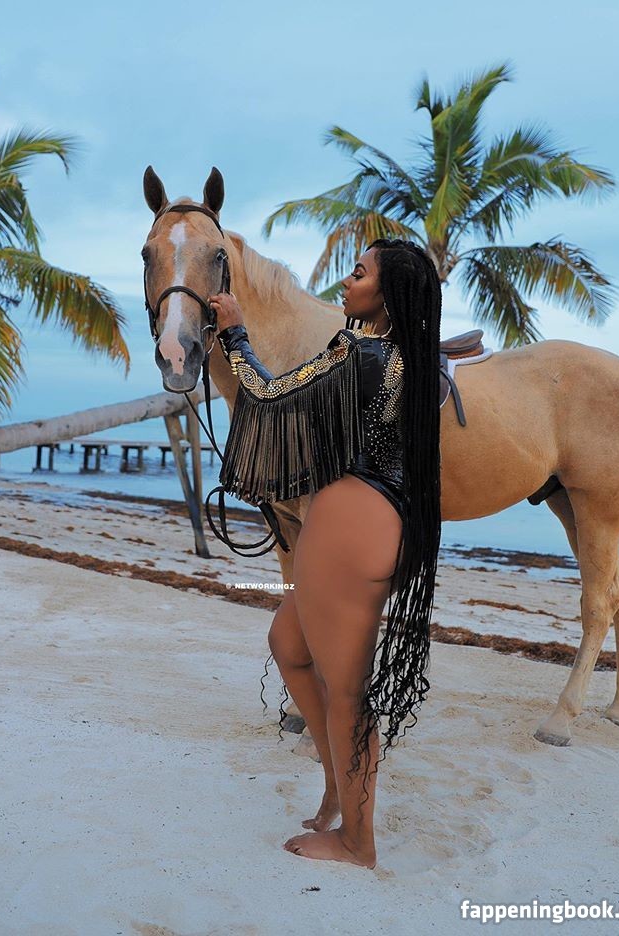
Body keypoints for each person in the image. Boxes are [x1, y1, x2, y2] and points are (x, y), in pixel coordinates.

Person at [207, 238, 442, 869]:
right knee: (288, 644)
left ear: (387, 293)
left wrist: (234, 334)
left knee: (346, 691)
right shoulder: (409, 358)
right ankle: (339, 786)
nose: (347, 280)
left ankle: (357, 842)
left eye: (360, 273)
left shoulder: (357, 352)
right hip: (376, 517)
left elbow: (269, 395)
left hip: (350, 521)